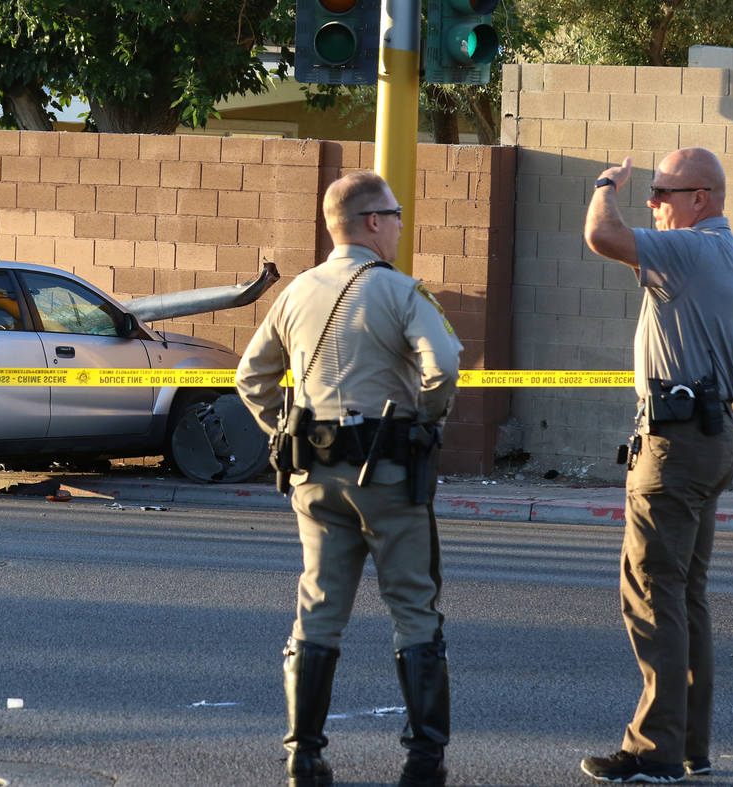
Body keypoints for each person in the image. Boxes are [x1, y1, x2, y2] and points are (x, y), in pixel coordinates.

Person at [235, 170, 464, 787]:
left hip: (314, 476)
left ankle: (303, 758)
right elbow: (443, 367)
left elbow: (249, 378)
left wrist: (282, 432)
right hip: (388, 476)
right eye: (393, 215)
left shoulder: (297, 292)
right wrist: (427, 423)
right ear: (370, 222)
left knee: (318, 611)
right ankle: (422, 763)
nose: (398, 226)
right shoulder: (399, 291)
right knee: (414, 610)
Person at [580, 148, 733, 783]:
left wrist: (607, 184)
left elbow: (603, 234)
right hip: (709, 435)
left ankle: (653, 751)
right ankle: (688, 747)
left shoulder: (694, 250)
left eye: (662, 191)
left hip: (677, 442)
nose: (652, 201)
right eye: (649, 190)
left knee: (653, 593)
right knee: (685, 596)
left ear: (702, 199)